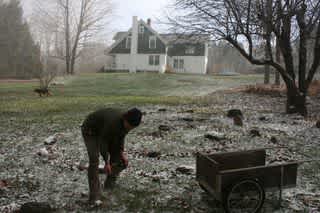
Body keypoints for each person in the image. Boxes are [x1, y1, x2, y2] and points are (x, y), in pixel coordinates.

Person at [81, 107, 142, 203]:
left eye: (132, 128)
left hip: (105, 132)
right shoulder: (113, 122)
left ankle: (108, 187)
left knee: (121, 162)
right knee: (94, 160)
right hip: (91, 131)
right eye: (130, 126)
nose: (130, 129)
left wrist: (121, 153)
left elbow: (121, 137)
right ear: (125, 119)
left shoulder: (126, 124)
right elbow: (103, 142)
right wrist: (106, 162)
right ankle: (94, 196)